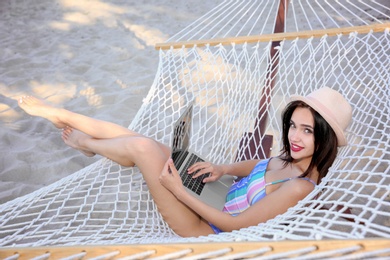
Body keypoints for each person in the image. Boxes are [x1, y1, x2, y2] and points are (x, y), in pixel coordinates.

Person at [18, 86, 352, 237]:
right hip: (216, 191)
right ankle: (65, 116)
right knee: (151, 142)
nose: (295, 136)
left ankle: (85, 142)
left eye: (307, 131)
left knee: (145, 150)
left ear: (324, 138)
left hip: (207, 228)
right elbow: (256, 167)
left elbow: (235, 226)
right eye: (293, 125)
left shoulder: (299, 187)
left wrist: (180, 193)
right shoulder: (290, 159)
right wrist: (222, 169)